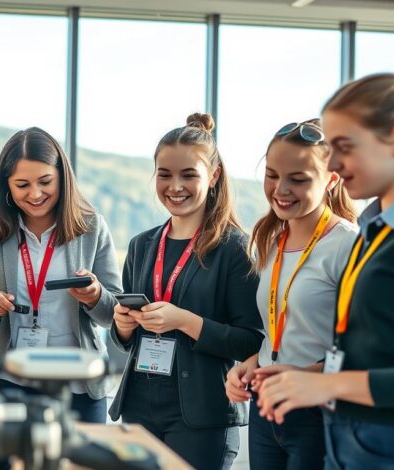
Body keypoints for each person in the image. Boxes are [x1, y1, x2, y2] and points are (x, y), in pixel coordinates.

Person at [256, 73, 394, 469]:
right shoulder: (376, 229)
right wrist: (301, 374)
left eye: (344, 148)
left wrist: (325, 382)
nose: (332, 165)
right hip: (348, 433)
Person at [109, 113, 264, 469]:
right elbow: (124, 341)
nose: (174, 186)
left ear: (214, 176)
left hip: (201, 414)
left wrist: (186, 321)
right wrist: (123, 326)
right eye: (164, 175)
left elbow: (252, 341)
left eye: (188, 175)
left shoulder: (234, 249)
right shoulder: (141, 245)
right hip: (139, 405)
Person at [0, 127, 122, 424]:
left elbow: (113, 314)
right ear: (6, 187)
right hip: (10, 383)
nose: (35, 194)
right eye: (22, 185)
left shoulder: (92, 228)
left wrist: (95, 295)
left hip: (79, 386)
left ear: (62, 177)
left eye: (45, 182)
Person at [225, 119, 357, 469]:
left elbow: (361, 352)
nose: (280, 189)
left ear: (332, 179)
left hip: (319, 412)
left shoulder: (349, 245)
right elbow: (278, 332)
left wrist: (300, 375)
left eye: (298, 179)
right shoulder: (271, 241)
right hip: (266, 409)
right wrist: (253, 364)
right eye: (272, 174)